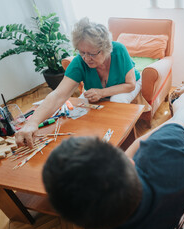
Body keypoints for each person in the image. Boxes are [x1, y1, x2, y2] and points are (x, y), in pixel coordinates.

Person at [42, 85, 184, 229]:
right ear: (131, 164)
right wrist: (143, 145)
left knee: (179, 115)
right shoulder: (158, 150)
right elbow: (179, 127)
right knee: (181, 107)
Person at [15, 17, 141, 148]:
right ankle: (94, 142)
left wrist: (102, 92)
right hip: (97, 90)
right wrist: (32, 123)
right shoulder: (79, 62)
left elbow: (130, 85)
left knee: (117, 100)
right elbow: (58, 95)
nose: (86, 58)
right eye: (82, 52)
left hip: (128, 85)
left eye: (92, 53)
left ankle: (120, 143)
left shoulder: (119, 49)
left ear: (105, 48)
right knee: (79, 111)